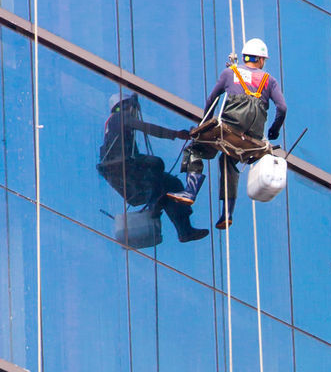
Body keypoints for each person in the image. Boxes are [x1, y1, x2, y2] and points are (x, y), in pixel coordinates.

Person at [170, 38, 287, 230]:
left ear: (244, 57)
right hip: (253, 136)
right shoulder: (269, 80)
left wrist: (203, 124)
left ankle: (190, 192)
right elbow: (282, 107)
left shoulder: (229, 73)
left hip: (230, 126)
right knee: (229, 160)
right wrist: (274, 130)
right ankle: (227, 213)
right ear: (259, 60)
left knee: (195, 149)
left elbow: (212, 99)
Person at [97, 92, 207, 242]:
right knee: (156, 163)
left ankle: (185, 230)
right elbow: (147, 128)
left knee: (172, 184)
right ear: (125, 106)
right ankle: (155, 202)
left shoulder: (114, 123)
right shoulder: (119, 117)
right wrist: (175, 134)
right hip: (122, 164)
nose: (134, 110)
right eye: (132, 106)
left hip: (124, 167)